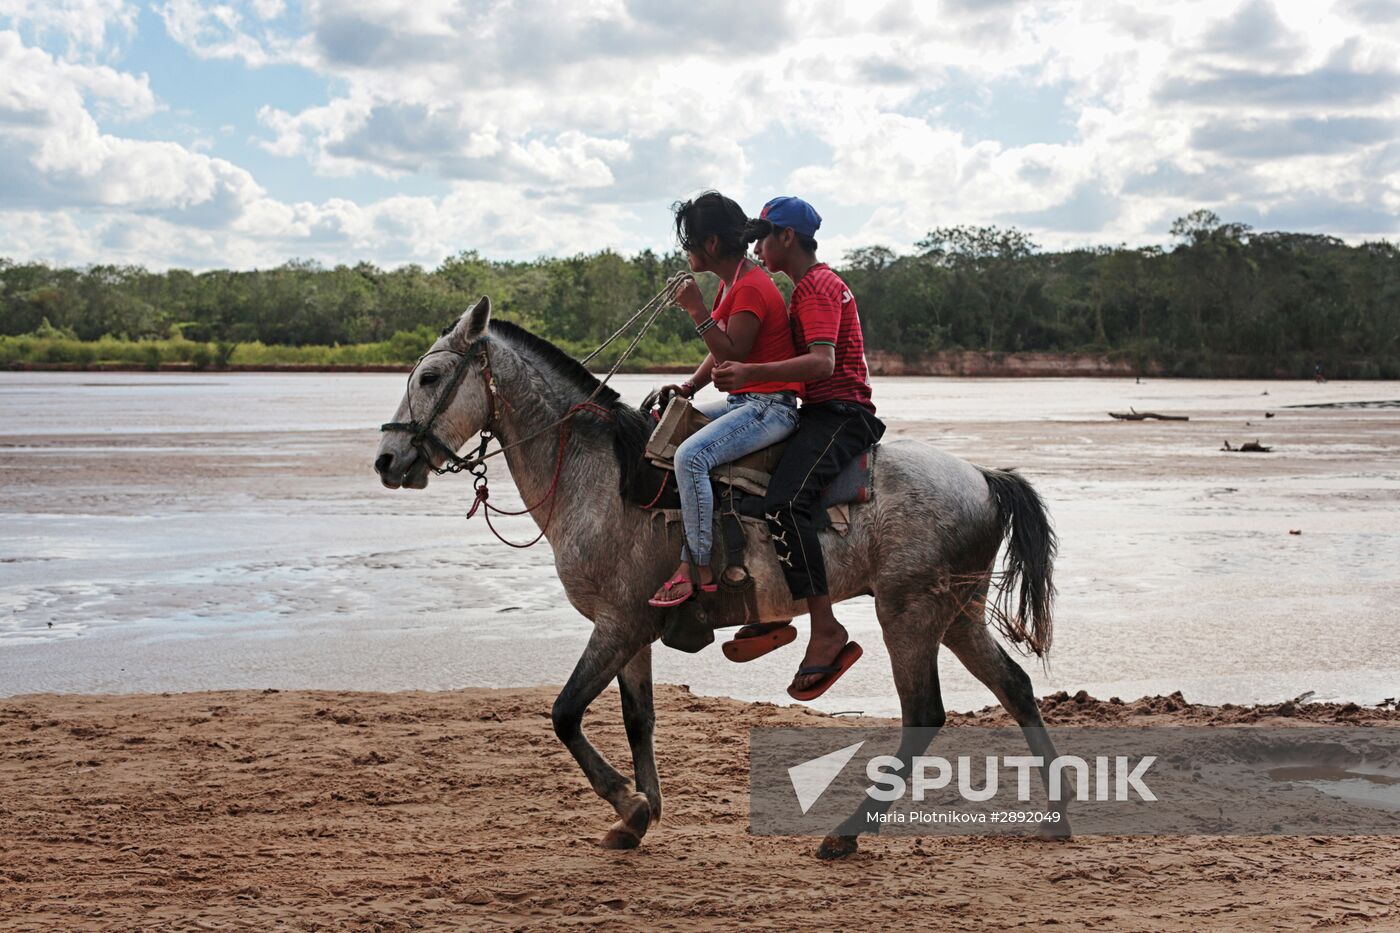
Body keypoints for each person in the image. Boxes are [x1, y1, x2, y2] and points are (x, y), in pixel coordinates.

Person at [712, 196, 885, 700]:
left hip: (841, 413)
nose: (758, 248)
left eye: (764, 237)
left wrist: (749, 374)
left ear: (787, 238)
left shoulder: (817, 290)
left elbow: (821, 365)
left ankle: (825, 628)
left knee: (786, 503)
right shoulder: (806, 288)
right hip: (815, 412)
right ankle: (770, 610)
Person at [647, 191, 802, 608]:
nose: (685, 251)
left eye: (689, 241)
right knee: (667, 429)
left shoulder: (750, 286)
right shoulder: (735, 282)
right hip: (745, 403)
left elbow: (733, 350)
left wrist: (696, 310)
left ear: (711, 244)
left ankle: (697, 565)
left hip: (769, 407)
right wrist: (689, 389)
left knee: (690, 457)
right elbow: (720, 350)